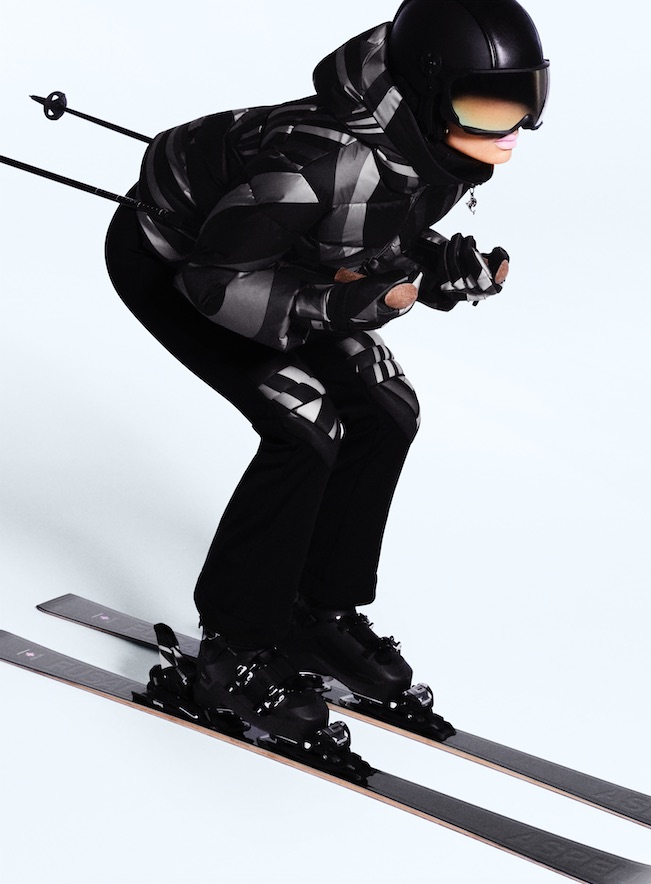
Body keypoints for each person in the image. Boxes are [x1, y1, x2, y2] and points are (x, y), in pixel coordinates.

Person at [104, 0, 549, 745]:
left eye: (526, 100)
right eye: (485, 104)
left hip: (281, 266)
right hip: (177, 263)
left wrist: (437, 269)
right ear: (424, 95)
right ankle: (234, 650)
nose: (512, 128)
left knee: (387, 409)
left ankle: (317, 613)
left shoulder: (439, 151)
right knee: (306, 423)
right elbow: (213, 282)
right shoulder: (317, 163)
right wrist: (351, 303)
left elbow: (372, 227)